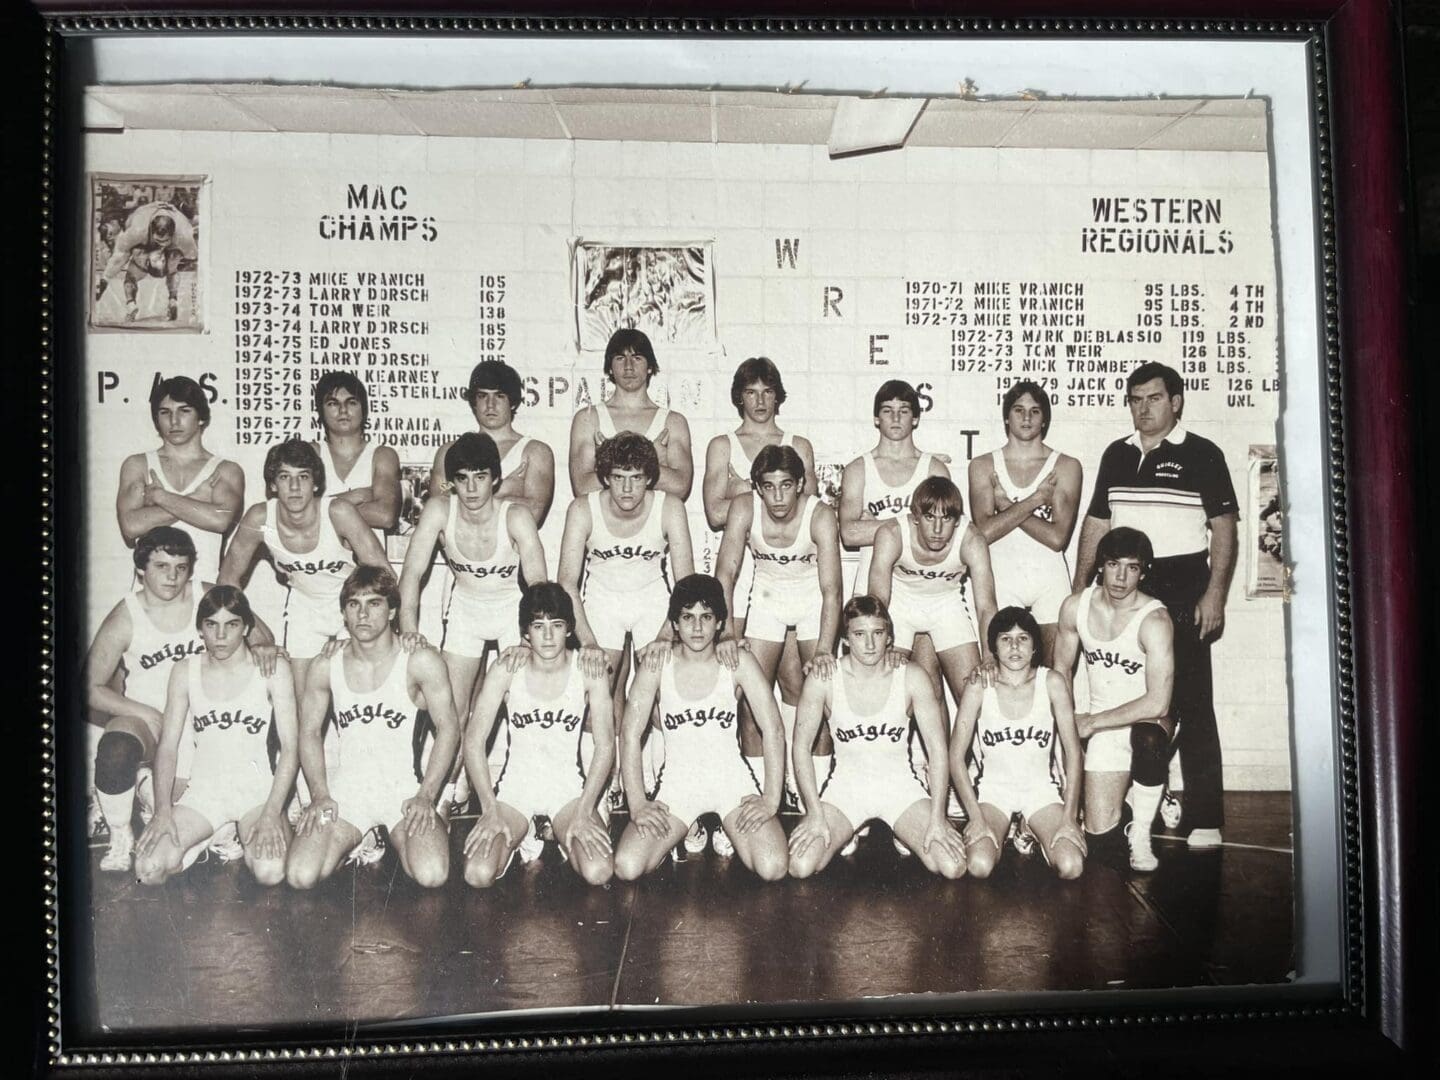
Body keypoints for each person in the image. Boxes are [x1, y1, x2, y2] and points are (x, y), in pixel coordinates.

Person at [1072, 362, 1237, 849]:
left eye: (1154, 398)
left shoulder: (1203, 453)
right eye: (1136, 400)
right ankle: (1145, 790)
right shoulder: (1116, 455)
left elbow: (1224, 530)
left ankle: (1205, 814)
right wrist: (1082, 586)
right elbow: (1097, 524)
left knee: (1191, 700)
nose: (1144, 408)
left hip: (1184, 584)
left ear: (1176, 401)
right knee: (1123, 688)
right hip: (1124, 584)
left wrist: (1215, 594)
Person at [84, 527, 283, 872]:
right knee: (115, 746)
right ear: (141, 569)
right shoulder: (126, 615)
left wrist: (263, 648)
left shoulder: (205, 596)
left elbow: (260, 636)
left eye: (180, 567)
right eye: (161, 566)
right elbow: (89, 687)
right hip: (154, 724)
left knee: (189, 819)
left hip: (210, 726)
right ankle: (120, 834)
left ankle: (189, 816)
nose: (172, 576)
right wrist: (144, 711)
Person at [285, 566, 460, 889]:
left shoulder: (419, 661)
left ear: (392, 610)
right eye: (354, 604)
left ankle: (389, 834)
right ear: (343, 613)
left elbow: (449, 728)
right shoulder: (326, 665)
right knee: (300, 875)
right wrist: (320, 795)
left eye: (374, 603)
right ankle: (358, 839)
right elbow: (308, 732)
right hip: (346, 792)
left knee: (432, 874)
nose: (363, 614)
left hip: (402, 790)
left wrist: (426, 796)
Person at [399, 432, 547, 801]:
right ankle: (447, 791)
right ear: (452, 482)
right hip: (467, 607)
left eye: (480, 477)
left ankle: (528, 793)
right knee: (451, 707)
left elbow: (540, 585)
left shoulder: (515, 517)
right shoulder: (438, 510)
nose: (471, 488)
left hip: (512, 609)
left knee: (526, 701)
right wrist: (409, 630)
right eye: (462, 478)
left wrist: (530, 642)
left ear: (495, 478)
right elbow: (412, 574)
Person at [613, 574, 788, 881]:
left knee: (772, 867)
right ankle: (683, 829)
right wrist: (637, 802)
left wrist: (771, 798)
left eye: (706, 617)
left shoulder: (738, 661)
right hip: (679, 786)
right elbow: (629, 734)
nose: (697, 627)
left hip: (730, 783)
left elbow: (773, 728)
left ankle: (726, 825)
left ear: (720, 622)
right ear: (674, 623)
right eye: (688, 617)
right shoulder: (657, 663)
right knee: (627, 867)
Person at [787, 595, 967, 879]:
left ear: (889, 638)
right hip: (847, 790)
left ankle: (905, 831)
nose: (870, 644)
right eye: (860, 634)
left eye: (878, 633)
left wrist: (937, 818)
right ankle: (848, 830)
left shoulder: (911, 676)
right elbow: (800, 748)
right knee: (801, 866)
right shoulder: (825, 678)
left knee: (951, 867)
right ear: (845, 639)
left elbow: (937, 750)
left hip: (900, 788)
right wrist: (814, 813)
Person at [132, 586, 297, 886]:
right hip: (205, 792)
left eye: (231, 625)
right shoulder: (185, 671)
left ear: (246, 627)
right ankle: (212, 835)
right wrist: (162, 811)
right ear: (200, 629)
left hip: (256, 793)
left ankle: (232, 833)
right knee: (148, 869)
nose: (220, 636)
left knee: (270, 872)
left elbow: (290, 750)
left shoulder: (274, 670)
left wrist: (273, 812)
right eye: (212, 625)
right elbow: (168, 747)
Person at [460, 583, 615, 886]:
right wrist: (489, 808)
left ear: (569, 629)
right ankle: (527, 833)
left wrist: (585, 809)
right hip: (516, 789)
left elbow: (606, 745)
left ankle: (558, 832)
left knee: (599, 872)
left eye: (556, 625)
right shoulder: (506, 670)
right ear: (525, 631)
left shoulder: (587, 670)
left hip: (567, 789)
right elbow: (473, 741)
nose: (547, 636)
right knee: (477, 874)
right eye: (538, 626)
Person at [713, 444, 842, 797]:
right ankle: (754, 796)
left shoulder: (820, 514)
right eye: (769, 486)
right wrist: (726, 632)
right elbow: (725, 572)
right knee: (749, 704)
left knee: (818, 700)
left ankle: (815, 797)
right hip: (768, 602)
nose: (778, 496)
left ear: (801, 484)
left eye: (786, 485)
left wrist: (826, 649)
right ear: (757, 488)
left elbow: (832, 590)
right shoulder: (744, 508)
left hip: (811, 600)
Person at [219, 439, 390, 696]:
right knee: (302, 698)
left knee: (355, 693)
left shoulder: (338, 512)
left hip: (351, 606)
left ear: (316, 483)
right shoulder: (260, 519)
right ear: (273, 484)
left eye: (303, 476)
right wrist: (254, 634)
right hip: (305, 608)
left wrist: (365, 622)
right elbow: (227, 580)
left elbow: (385, 574)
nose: (295, 487)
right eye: (285, 477)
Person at [1055, 528, 1175, 872]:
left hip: (1147, 719)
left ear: (1144, 571)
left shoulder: (1154, 619)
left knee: (1148, 739)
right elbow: (1061, 670)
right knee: (1101, 842)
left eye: (1132, 567)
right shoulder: (1076, 607)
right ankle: (1139, 794)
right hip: (1105, 724)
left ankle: (1142, 831)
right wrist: (1068, 725)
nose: (1121, 577)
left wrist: (1090, 723)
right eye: (1113, 564)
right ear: (1100, 566)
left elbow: (1158, 703)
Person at [557, 431, 695, 707]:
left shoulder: (669, 507)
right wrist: (588, 643)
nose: (627, 489)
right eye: (619, 477)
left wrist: (667, 635)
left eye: (636, 478)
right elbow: (566, 583)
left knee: (664, 694)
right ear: (606, 477)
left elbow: (687, 584)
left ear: (649, 479)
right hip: (602, 599)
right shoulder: (583, 509)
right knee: (596, 692)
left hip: (652, 598)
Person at [950, 606, 1085, 880]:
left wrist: (1070, 817)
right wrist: (974, 816)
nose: (1014, 646)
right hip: (994, 792)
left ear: (1035, 645)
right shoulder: (979, 687)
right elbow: (954, 757)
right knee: (979, 866)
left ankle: (1029, 827)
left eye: (1023, 638)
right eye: (1005, 639)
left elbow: (1073, 754)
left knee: (1072, 866)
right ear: (994, 647)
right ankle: (1010, 828)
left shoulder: (1052, 682)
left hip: (1040, 792)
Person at [968, 381, 1083, 664]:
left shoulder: (1066, 466)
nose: (1027, 418)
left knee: (1056, 674)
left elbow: (1057, 538)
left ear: (1045, 419)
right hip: (1003, 575)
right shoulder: (983, 465)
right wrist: (1034, 500)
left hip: (1049, 577)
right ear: (1007, 417)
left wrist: (1006, 506)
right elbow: (983, 532)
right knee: (1006, 673)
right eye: (1019, 410)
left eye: (1035, 411)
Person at [868, 475, 998, 717]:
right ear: (915, 518)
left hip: (946, 607)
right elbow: (878, 600)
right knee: (885, 692)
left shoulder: (972, 540)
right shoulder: (892, 533)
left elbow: (986, 606)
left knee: (978, 695)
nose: (937, 530)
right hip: (899, 607)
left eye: (946, 519)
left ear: (957, 521)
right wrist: (885, 644)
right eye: (929, 517)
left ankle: (972, 755)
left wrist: (989, 657)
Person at [116, 376, 245, 586]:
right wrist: (195, 499)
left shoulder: (225, 470)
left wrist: (161, 497)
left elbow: (219, 520)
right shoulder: (137, 464)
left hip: (203, 595)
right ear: (157, 419)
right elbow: (131, 526)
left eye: (184, 411)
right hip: (148, 596)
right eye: (165, 412)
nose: (174, 421)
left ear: (201, 417)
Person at [839, 379, 950, 599]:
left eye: (904, 411)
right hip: (870, 583)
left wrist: (874, 528)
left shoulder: (933, 470)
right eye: (888, 410)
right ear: (876, 418)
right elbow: (849, 534)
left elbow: (942, 532)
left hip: (921, 585)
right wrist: (914, 521)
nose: (896, 418)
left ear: (916, 418)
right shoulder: (858, 469)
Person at [567, 328, 694, 500]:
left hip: (656, 521)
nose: (628, 367)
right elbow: (582, 487)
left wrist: (608, 463)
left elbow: (680, 487)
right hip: (602, 521)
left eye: (637, 358)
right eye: (620, 358)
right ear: (610, 368)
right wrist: (652, 461)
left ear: (649, 367)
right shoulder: (588, 418)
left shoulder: (673, 422)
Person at [430, 360, 556, 527]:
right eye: (482, 396)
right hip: (461, 547)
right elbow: (440, 497)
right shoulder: (451, 451)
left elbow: (534, 513)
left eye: (499, 396)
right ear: (474, 402)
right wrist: (500, 488)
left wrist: (468, 494)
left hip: (511, 550)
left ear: (512, 402)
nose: (490, 404)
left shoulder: (534, 452)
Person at [312, 371, 402, 550]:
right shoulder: (310, 453)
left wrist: (318, 509)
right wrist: (358, 496)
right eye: (333, 403)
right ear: (321, 411)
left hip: (367, 572)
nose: (343, 410)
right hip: (317, 567)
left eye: (351, 402)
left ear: (364, 409)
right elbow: (291, 512)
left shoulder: (382, 455)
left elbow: (385, 515)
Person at [94, 201, 198, 322]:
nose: (161, 245)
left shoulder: (183, 236)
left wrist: (174, 260)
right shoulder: (137, 231)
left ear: (173, 235)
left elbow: (192, 256)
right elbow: (120, 256)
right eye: (158, 241)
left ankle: (167, 300)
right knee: (135, 270)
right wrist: (105, 279)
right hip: (143, 228)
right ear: (151, 230)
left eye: (165, 241)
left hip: (169, 238)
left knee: (172, 261)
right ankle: (169, 299)